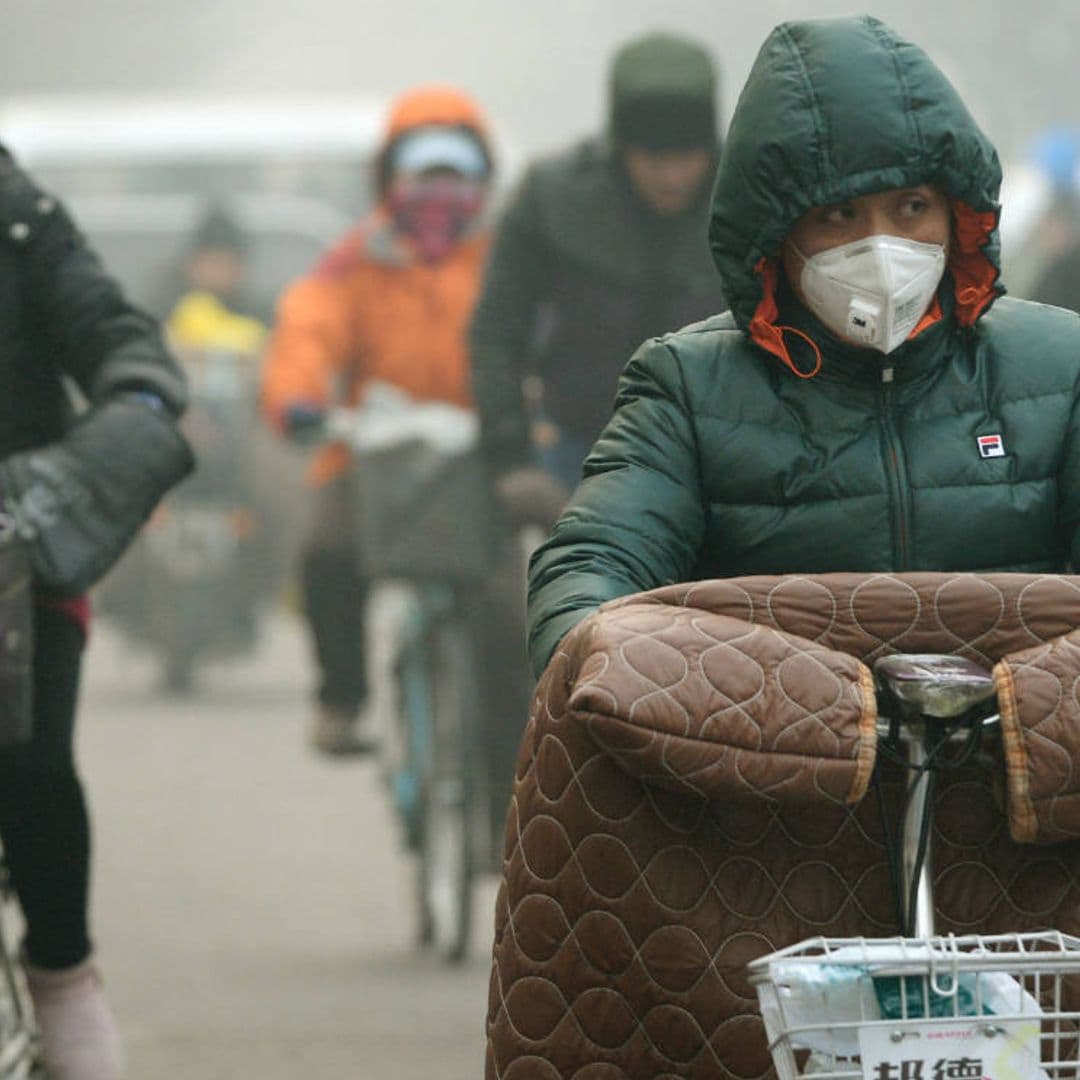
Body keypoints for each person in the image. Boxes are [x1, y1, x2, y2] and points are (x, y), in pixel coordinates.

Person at [526, 14, 1080, 680]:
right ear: (775, 232)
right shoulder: (687, 390)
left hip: (1020, 764)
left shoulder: (1059, 368)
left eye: (910, 208)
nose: (880, 248)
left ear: (957, 214)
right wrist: (601, 655)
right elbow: (598, 559)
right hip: (775, 766)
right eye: (839, 215)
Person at [0, 146, 189, 1078]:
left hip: (16, 540)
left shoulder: (19, 215)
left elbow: (115, 333)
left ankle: (64, 982)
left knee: (30, 763)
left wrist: (136, 402)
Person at [261, 85, 495, 754]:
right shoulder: (357, 260)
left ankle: (518, 748)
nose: (439, 197)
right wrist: (297, 398)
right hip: (375, 455)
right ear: (390, 179)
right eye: (424, 177)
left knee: (515, 590)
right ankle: (341, 700)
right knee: (328, 554)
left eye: (457, 177)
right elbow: (309, 327)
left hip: (482, 454)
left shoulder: (508, 257)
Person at [469, 31, 725, 522]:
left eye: (687, 158)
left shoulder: (753, 197)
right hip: (579, 450)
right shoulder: (552, 198)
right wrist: (511, 459)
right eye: (653, 159)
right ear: (621, 148)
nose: (671, 178)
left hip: (718, 456)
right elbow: (499, 329)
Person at [165, 203, 267, 353]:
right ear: (191, 264)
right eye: (211, 262)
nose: (217, 272)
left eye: (225, 263)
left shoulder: (259, 314)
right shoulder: (164, 308)